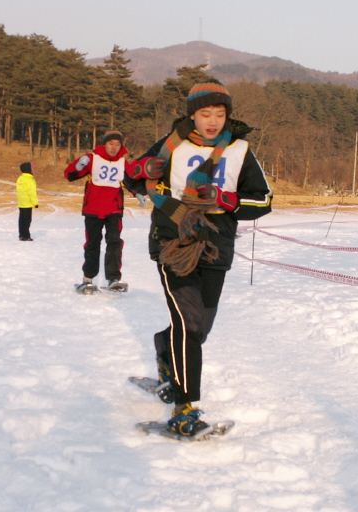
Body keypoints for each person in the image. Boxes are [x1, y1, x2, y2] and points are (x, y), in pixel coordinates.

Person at [124, 78, 272, 437]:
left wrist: (227, 200)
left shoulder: (239, 150)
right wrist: (143, 172)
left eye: (219, 114)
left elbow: (263, 201)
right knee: (189, 323)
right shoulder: (171, 144)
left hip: (217, 246)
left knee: (199, 326)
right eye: (205, 113)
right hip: (174, 242)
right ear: (192, 115)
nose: (212, 121)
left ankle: (164, 348)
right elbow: (133, 179)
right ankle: (184, 407)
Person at [64, 129, 130, 293]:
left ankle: (113, 279)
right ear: (104, 144)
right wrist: (78, 166)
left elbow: (132, 181)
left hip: (114, 210)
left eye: (117, 144)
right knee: (93, 244)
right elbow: (70, 174)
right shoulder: (92, 158)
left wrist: (141, 193)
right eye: (110, 144)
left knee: (114, 243)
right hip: (93, 209)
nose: (114, 147)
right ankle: (88, 279)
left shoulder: (122, 162)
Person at [16, 161, 38, 241]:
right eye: (32, 167)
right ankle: (26, 236)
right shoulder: (29, 179)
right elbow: (31, 192)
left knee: (21, 220)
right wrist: (35, 203)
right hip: (27, 203)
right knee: (27, 220)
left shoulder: (20, 178)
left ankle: (21, 235)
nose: (33, 169)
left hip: (21, 202)